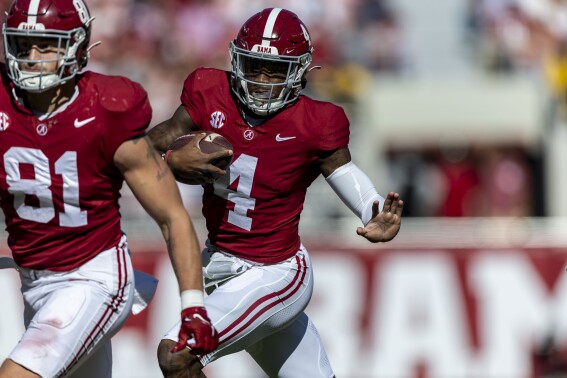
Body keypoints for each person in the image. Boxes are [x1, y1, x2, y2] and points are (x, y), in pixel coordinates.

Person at [149, 7, 403, 378]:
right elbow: (153, 143)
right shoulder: (210, 92)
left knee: (177, 354)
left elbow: (344, 172)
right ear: (237, 61)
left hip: (276, 271)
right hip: (218, 265)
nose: (263, 80)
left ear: (299, 72)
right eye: (254, 67)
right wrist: (169, 158)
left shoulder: (316, 121)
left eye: (276, 70)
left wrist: (372, 210)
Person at [0, 0, 218, 377]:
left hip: (95, 277)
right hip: (34, 280)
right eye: (23, 44)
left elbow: (171, 217)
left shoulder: (106, 108)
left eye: (47, 44)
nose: (32, 56)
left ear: (78, 46)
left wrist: (192, 305)